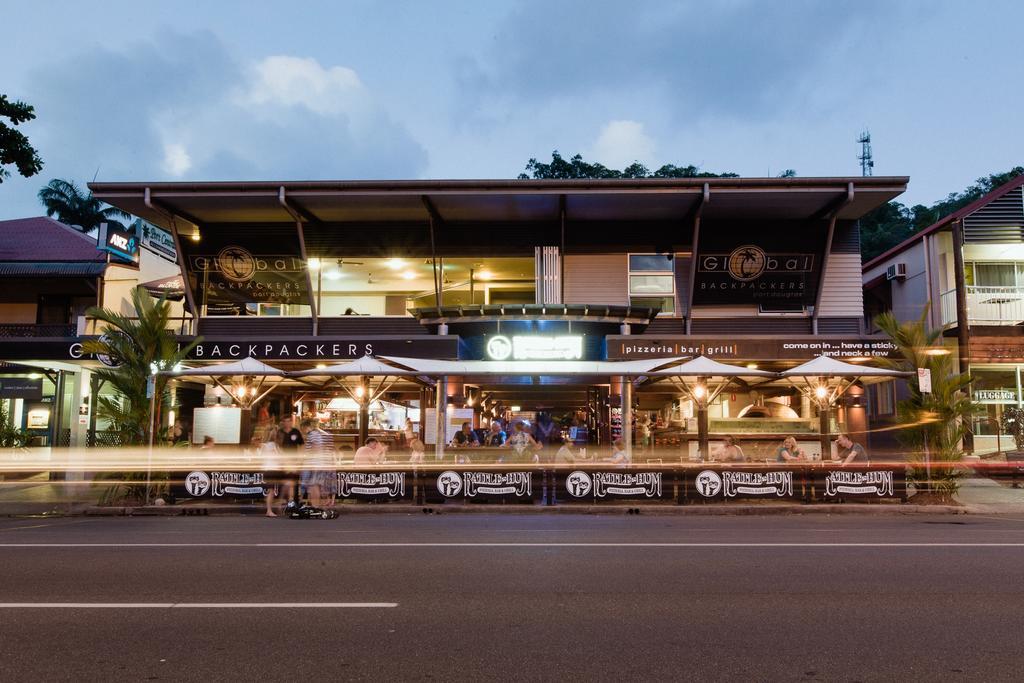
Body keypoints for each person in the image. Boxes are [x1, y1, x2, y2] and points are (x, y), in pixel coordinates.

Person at [300, 418, 336, 508]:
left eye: (302, 428)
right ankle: (316, 505)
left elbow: (316, 448)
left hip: (314, 463)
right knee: (314, 485)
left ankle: (315, 506)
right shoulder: (317, 434)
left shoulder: (312, 434)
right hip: (318, 463)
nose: (302, 431)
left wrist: (308, 458)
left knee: (313, 485)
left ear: (305, 427)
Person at [275, 416, 304, 504]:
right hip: (284, 460)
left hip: (294, 460)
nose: (287, 423)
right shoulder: (280, 432)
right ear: (283, 422)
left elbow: (302, 444)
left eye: (288, 421)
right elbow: (277, 445)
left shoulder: (296, 431)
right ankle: (286, 499)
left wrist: (300, 457)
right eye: (285, 421)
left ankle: (295, 500)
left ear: (291, 422)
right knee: (284, 480)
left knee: (294, 480)